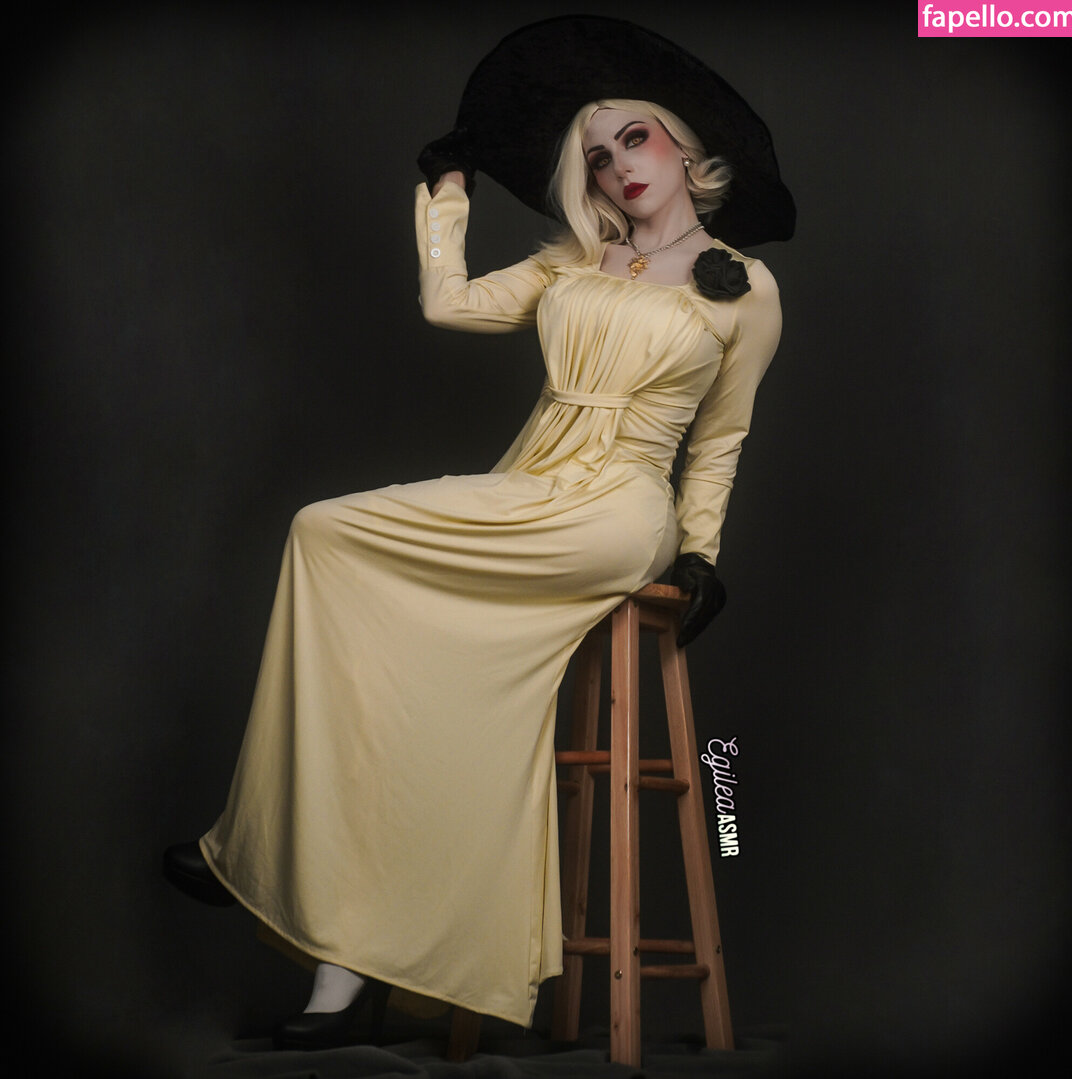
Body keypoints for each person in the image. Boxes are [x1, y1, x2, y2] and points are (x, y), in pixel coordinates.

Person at [164, 15, 794, 1052]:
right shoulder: (571, 262)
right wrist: (449, 197)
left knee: (351, 562)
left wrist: (701, 555)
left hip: (617, 510)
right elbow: (449, 306)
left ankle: (264, 867)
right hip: (528, 485)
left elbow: (721, 439)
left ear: (685, 147)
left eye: (635, 138)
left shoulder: (745, 286)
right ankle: (331, 954)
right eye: (598, 156)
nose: (618, 165)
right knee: (331, 545)